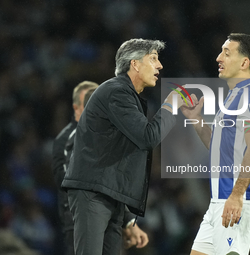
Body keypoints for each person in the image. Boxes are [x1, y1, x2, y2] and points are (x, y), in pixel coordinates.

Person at [62, 38, 191, 255]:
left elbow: (118, 159)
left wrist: (128, 221)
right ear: (135, 64)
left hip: (110, 198)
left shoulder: (128, 97)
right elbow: (149, 137)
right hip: (93, 194)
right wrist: (172, 102)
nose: (159, 65)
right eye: (153, 59)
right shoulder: (117, 92)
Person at [182, 33, 250, 255]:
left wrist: (237, 195)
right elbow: (218, 148)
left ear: (244, 62)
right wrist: (196, 120)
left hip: (238, 197)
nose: (219, 57)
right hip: (219, 199)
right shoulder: (232, 97)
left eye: (226, 53)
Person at [52, 81, 149, 255]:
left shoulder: (106, 138)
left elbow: (111, 183)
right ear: (77, 108)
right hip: (79, 220)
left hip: (108, 215)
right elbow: (69, 182)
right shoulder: (66, 140)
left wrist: (127, 222)